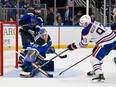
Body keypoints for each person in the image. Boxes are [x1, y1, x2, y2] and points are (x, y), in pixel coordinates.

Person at [67, 15, 116, 82]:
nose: (82, 25)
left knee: (94, 59)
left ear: (86, 23)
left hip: (106, 43)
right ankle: (96, 69)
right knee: (95, 51)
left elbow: (83, 44)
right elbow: (95, 34)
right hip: (113, 38)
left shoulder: (86, 31)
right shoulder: (94, 22)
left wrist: (72, 46)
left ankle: (99, 75)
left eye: (82, 24)